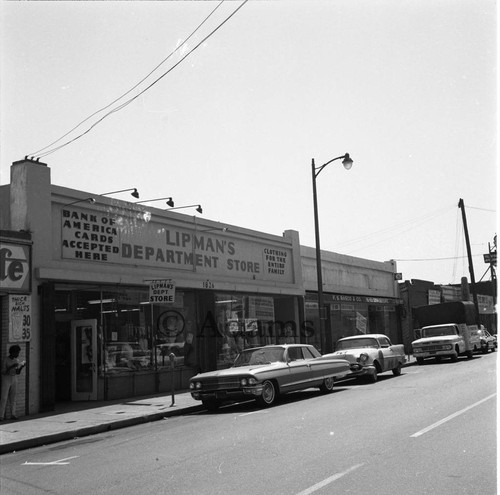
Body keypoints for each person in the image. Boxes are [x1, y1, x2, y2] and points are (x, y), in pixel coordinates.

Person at [0, 345, 25, 421]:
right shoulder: (5, 360)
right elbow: (3, 372)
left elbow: (17, 372)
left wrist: (21, 367)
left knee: (13, 397)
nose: (18, 354)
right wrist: (11, 367)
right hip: (6, 378)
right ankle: (1, 415)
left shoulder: (16, 360)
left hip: (14, 378)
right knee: (4, 397)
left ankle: (13, 414)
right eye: (17, 352)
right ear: (12, 352)